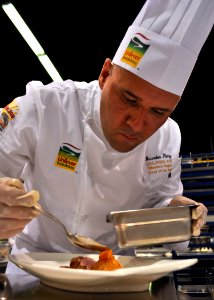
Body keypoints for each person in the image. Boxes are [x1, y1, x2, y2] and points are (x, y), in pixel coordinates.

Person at [0, 0, 213, 274]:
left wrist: (179, 212)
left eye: (158, 111)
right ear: (105, 74)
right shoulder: (44, 106)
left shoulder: (168, 136)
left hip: (115, 272)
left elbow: (158, 200)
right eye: (128, 99)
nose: (137, 124)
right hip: (33, 271)